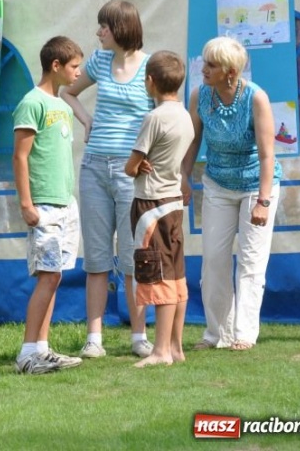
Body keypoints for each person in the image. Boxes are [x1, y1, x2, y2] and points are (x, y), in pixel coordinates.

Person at [60, 0, 153, 359]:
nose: (99, 32)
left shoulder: (149, 67)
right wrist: (86, 120)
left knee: (132, 258)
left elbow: (160, 116)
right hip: (95, 167)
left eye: (104, 26)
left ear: (121, 28)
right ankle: (94, 339)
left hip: (131, 172)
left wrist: (146, 156)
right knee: (97, 259)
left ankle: (139, 336)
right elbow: (68, 92)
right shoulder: (99, 62)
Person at [182, 36, 282, 351]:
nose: (203, 69)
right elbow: (192, 141)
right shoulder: (199, 95)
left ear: (230, 71)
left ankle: (244, 334)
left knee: (252, 261)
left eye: (210, 65)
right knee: (213, 260)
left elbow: (268, 155)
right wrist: (183, 175)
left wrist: (263, 201)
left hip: (257, 184)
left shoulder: (256, 98)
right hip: (217, 183)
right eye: (204, 62)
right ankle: (216, 334)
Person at [13, 36, 85, 374]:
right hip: (43, 205)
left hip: (65, 204)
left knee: (54, 277)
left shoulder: (63, 105)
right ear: (55, 66)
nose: (78, 73)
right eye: (73, 67)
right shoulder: (32, 103)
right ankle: (27, 354)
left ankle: (42, 349)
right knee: (48, 276)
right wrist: (27, 203)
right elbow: (21, 156)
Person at [124, 51, 195, 367]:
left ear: (150, 82)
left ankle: (161, 351)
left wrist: (137, 166)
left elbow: (130, 166)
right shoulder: (185, 116)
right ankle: (176, 347)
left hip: (151, 204)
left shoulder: (154, 118)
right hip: (174, 204)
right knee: (176, 272)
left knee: (158, 273)